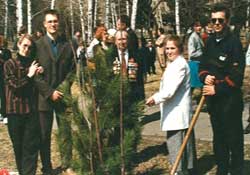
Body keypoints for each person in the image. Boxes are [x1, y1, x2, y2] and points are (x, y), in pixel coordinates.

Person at [199, 3, 245, 175]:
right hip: (214, 103)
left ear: (227, 21)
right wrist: (205, 77)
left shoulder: (234, 43)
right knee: (219, 139)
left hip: (230, 102)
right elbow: (202, 65)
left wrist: (217, 89)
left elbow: (237, 77)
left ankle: (237, 170)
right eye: (213, 20)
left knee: (234, 140)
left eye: (220, 20)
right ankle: (222, 168)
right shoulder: (209, 42)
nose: (216, 23)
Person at [146, 35, 197, 175]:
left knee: (177, 146)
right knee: (182, 147)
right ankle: (184, 170)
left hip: (177, 114)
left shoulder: (179, 65)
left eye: (172, 48)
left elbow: (169, 91)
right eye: (167, 48)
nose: (169, 51)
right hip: (175, 113)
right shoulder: (174, 64)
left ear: (179, 49)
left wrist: (154, 98)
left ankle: (180, 171)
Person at [34, 9, 74, 175]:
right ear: (44, 25)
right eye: (49, 21)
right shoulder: (37, 46)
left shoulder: (68, 44)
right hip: (44, 98)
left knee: (66, 133)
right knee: (44, 135)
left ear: (59, 23)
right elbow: (34, 75)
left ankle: (67, 165)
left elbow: (72, 70)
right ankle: (47, 167)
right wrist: (50, 92)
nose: (53, 24)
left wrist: (62, 89)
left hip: (63, 96)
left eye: (55, 21)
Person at [4, 34, 41, 175]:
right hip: (15, 112)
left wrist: (38, 73)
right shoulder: (9, 64)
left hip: (30, 111)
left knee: (30, 147)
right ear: (19, 44)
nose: (27, 49)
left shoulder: (32, 64)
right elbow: (15, 86)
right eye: (24, 45)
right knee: (18, 147)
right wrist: (30, 75)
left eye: (30, 47)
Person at [188, 21, 204, 106]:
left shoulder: (198, 36)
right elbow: (192, 53)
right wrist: (204, 54)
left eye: (200, 26)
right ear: (194, 27)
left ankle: (201, 102)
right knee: (192, 85)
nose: (199, 28)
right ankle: (186, 101)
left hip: (199, 63)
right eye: (197, 26)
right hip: (194, 64)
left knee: (202, 84)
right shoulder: (193, 37)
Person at [0, 35, 11, 122]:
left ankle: (4, 114)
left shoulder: (7, 52)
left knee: (4, 95)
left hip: (3, 76)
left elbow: (8, 63)